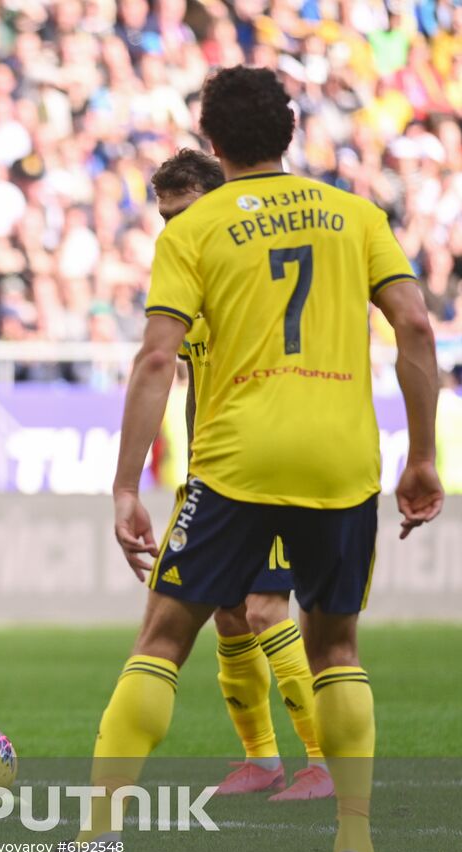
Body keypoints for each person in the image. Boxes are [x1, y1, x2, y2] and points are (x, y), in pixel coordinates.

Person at [19, 67, 442, 852]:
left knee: (163, 640)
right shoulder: (357, 216)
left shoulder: (196, 227)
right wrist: (421, 455)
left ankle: (97, 844)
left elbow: (154, 357)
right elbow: (417, 326)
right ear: (290, 126)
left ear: (211, 140)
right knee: (338, 649)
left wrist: (123, 487)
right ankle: (354, 847)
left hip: (238, 457)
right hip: (342, 458)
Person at [151, 148, 333, 803]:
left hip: (272, 468)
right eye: (166, 216)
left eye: (186, 211)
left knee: (263, 607)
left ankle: (322, 759)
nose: (174, 227)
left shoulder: (255, 275)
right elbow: (186, 379)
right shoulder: (187, 279)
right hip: (215, 470)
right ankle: (261, 759)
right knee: (228, 613)